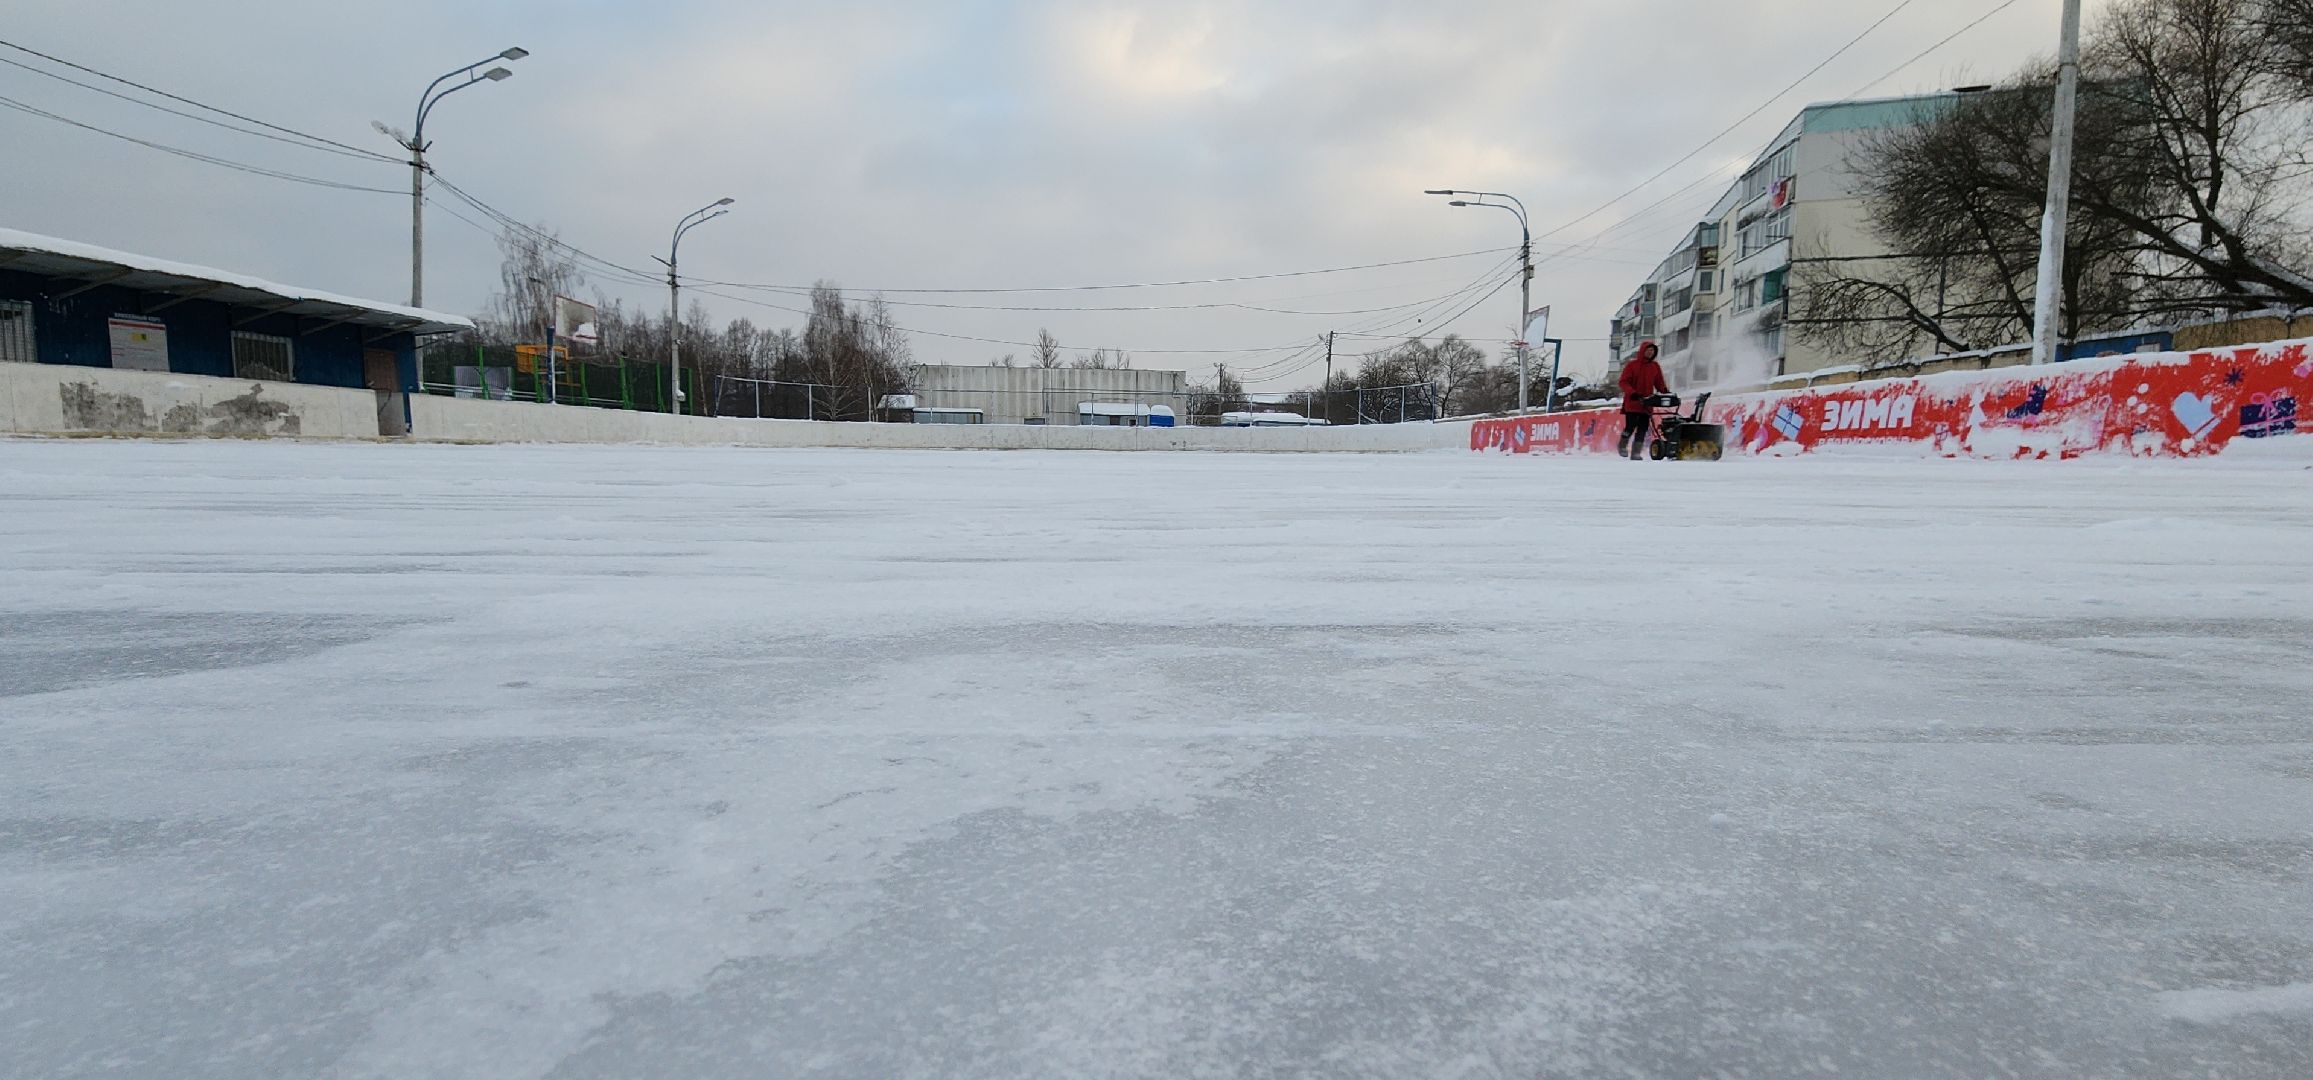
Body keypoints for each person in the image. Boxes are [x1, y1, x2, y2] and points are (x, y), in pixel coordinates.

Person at [1618, 341, 1671, 460]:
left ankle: (1636, 452)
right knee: (1630, 426)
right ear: (1643, 351)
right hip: (1633, 402)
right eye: (1648, 350)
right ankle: (1622, 445)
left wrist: (1665, 391)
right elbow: (1623, 382)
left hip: (1647, 403)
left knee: (1643, 428)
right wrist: (1632, 392)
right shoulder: (1632, 365)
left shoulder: (1655, 367)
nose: (1650, 353)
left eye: (1652, 351)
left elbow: (1659, 383)